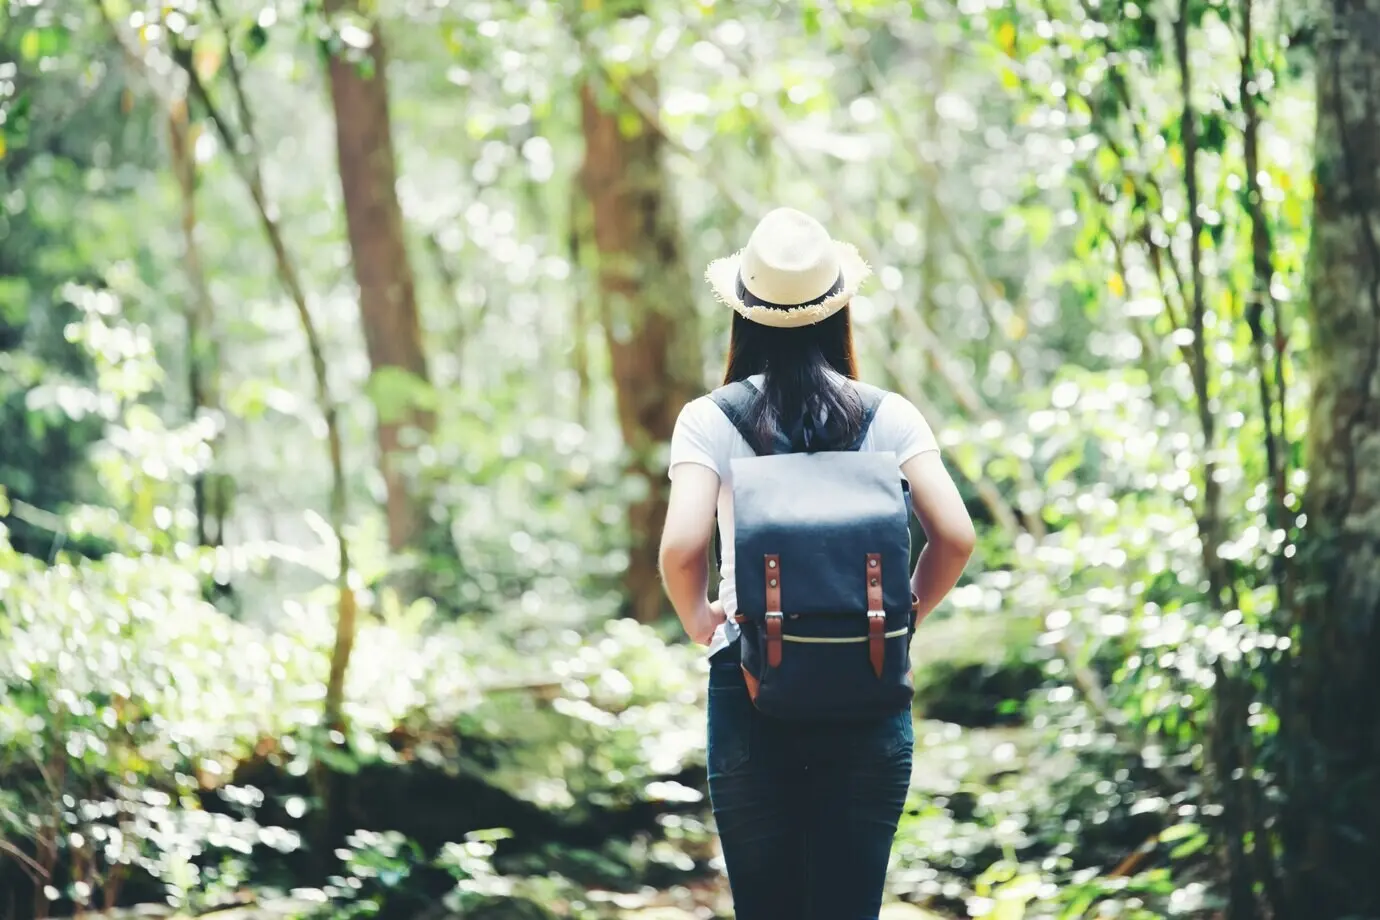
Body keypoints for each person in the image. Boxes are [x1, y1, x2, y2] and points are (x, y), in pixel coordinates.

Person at [657, 207, 977, 919]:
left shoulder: (709, 420)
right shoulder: (890, 416)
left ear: (744, 316)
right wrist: (898, 617)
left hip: (750, 683)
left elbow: (681, 549)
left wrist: (702, 622)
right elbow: (953, 536)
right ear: (840, 311)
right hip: (867, 682)